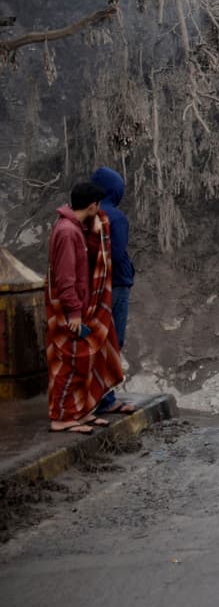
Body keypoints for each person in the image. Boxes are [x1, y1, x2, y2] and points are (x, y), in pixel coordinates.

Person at [45, 181, 125, 433]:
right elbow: (66, 278)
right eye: (97, 206)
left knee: (85, 359)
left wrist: (94, 232)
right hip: (70, 308)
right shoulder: (68, 232)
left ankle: (78, 412)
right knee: (71, 360)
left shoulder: (74, 227)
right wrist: (75, 312)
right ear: (92, 206)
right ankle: (61, 417)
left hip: (77, 304)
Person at [91, 166, 137, 415]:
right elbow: (117, 254)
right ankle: (106, 398)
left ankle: (95, 395)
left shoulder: (89, 212)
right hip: (116, 284)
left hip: (95, 286)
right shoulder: (115, 217)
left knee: (97, 339)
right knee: (113, 340)